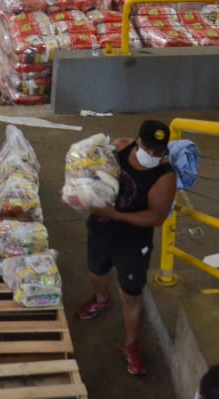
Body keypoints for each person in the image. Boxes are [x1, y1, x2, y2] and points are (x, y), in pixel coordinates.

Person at [75, 119, 177, 376]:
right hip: (100, 229)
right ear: (137, 141)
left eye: (159, 151)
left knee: (131, 294)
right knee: (97, 271)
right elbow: (94, 173)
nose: (152, 155)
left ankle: (131, 344)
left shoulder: (164, 178)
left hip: (133, 242)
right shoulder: (119, 148)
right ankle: (101, 299)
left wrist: (114, 213)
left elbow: (155, 218)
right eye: (148, 148)